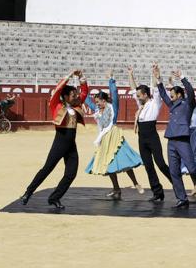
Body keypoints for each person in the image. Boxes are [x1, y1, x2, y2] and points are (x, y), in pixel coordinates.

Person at [19, 70, 89, 209]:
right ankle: (28, 193)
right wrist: (69, 75)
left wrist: (81, 77)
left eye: (76, 94)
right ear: (65, 96)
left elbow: (85, 92)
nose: (76, 96)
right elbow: (58, 90)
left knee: (71, 173)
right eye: (73, 94)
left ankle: (54, 198)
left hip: (71, 145)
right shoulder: (56, 104)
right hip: (60, 141)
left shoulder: (76, 105)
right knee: (47, 169)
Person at [154, 65, 196, 209]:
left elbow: (191, 92)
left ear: (179, 94)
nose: (170, 95)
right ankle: (182, 199)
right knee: (174, 172)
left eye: (172, 93)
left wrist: (182, 78)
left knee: (192, 169)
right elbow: (163, 94)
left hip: (183, 140)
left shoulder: (188, 104)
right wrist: (158, 79)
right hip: (171, 141)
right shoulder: (172, 105)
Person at [84, 70, 144, 200]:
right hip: (105, 139)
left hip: (115, 137)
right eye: (96, 102)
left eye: (98, 101)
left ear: (104, 100)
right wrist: (82, 81)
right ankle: (116, 188)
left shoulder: (113, 107)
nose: (97, 104)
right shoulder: (97, 110)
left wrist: (111, 79)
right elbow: (86, 99)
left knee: (125, 161)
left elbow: (115, 94)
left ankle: (135, 183)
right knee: (109, 164)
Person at [128, 65, 172, 203]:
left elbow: (157, 90)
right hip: (142, 137)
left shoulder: (155, 103)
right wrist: (130, 74)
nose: (137, 96)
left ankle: (177, 184)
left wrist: (156, 75)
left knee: (160, 163)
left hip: (152, 136)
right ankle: (157, 192)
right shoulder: (140, 103)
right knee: (148, 166)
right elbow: (133, 88)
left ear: (146, 95)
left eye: (139, 95)